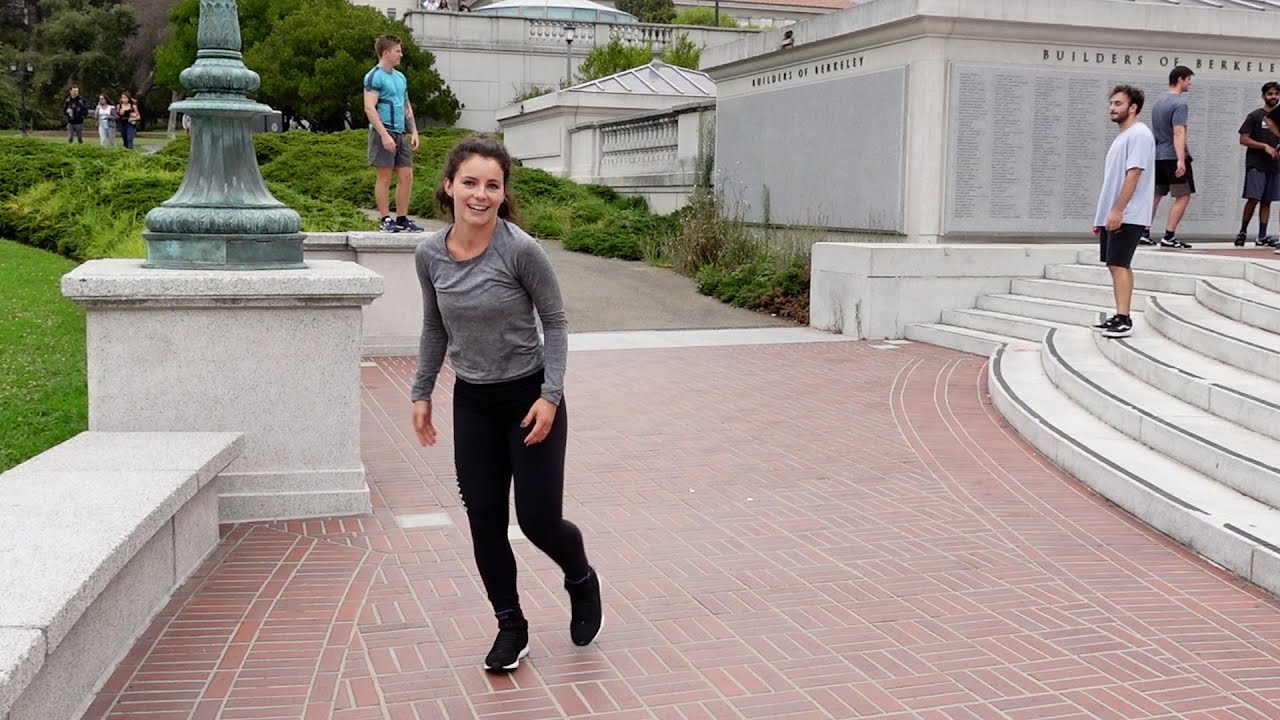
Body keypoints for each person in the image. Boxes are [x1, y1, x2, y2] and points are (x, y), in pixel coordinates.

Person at [410, 135, 603, 672]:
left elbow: (557, 325)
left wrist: (550, 396)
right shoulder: (429, 254)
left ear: (503, 193)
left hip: (529, 397)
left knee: (539, 522)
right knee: (485, 524)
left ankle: (582, 579)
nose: (480, 194)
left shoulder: (520, 249)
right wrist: (422, 390)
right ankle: (510, 626)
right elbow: (434, 326)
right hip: (472, 402)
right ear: (448, 186)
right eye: (469, 182)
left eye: (492, 185)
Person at [1092, 84, 1155, 340]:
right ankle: (1120, 315)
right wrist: (1102, 216)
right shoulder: (1124, 136)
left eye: (1118, 104)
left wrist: (1118, 210)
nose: (1112, 108)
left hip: (1128, 213)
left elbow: (1134, 174)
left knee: (1119, 264)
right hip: (1116, 214)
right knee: (1116, 265)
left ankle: (1125, 318)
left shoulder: (1139, 134)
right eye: (1111, 104)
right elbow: (1113, 181)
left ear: (1133, 107)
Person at [363, 34, 425, 233]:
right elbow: (369, 107)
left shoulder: (400, 77)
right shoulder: (374, 76)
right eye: (397, 51)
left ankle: (402, 218)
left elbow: (406, 106)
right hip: (384, 131)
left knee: (406, 175)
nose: (401, 54)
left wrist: (413, 130)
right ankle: (385, 219)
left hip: (400, 132)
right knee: (384, 176)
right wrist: (383, 135)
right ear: (386, 52)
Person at [1143, 65, 1194, 249]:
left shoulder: (1158, 102)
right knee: (1183, 195)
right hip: (1173, 155)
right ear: (1180, 79)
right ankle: (1169, 236)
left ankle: (1143, 233)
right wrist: (1181, 159)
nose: (1190, 84)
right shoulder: (1180, 103)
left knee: (1156, 194)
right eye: (1189, 80)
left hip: (1158, 155)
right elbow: (1178, 132)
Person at [1236, 82, 1280, 247]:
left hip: (1274, 166)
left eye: (1276, 94)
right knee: (1253, 198)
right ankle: (1242, 232)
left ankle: (1262, 236)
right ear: (1263, 96)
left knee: (1267, 201)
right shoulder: (1255, 116)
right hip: (1256, 164)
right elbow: (1243, 139)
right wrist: (1264, 146)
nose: (1273, 97)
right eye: (1270, 94)